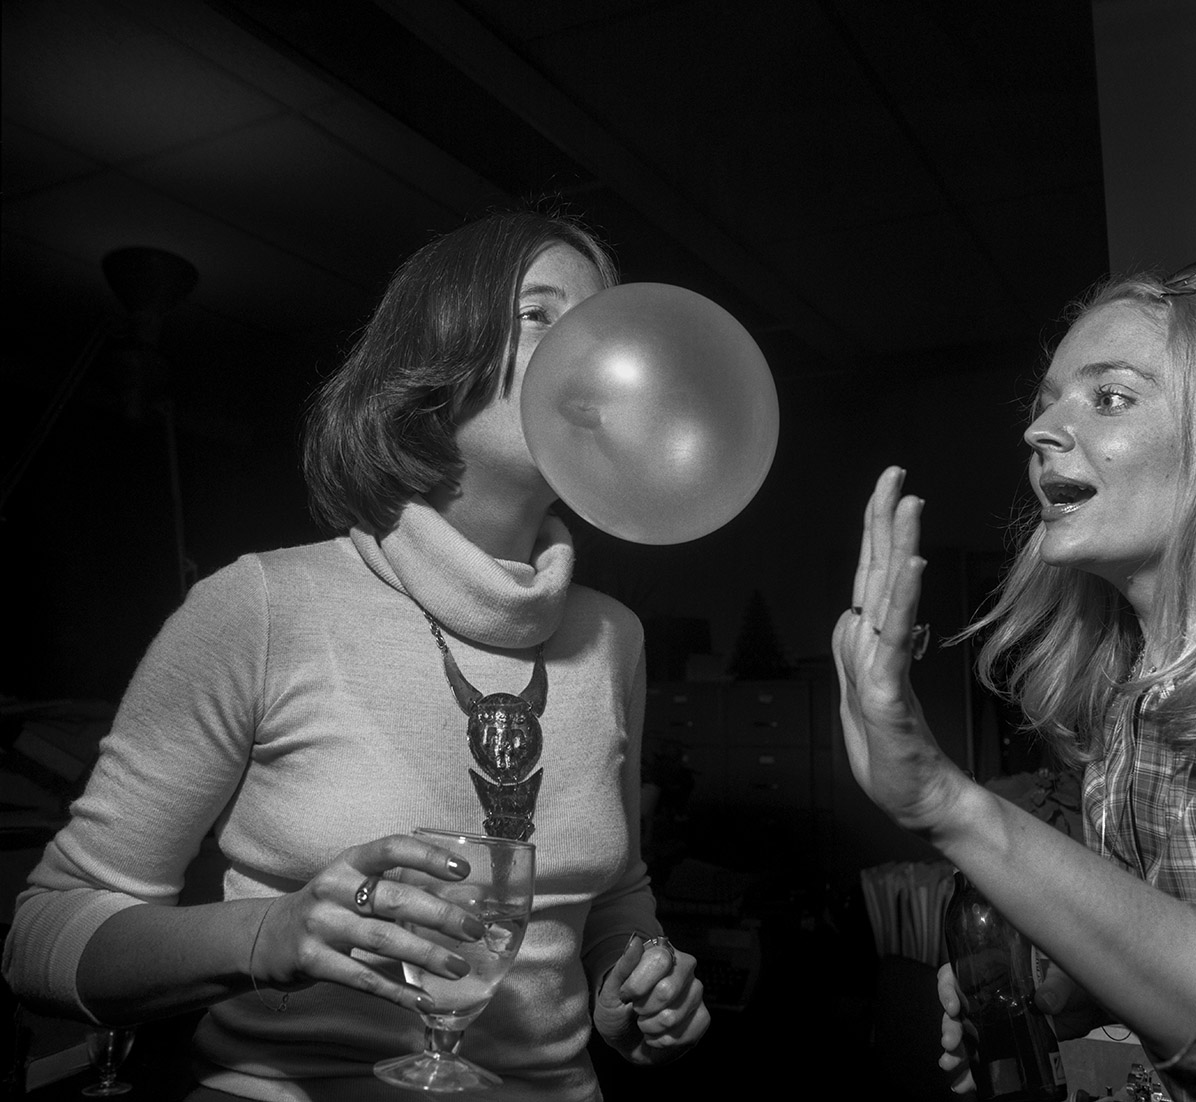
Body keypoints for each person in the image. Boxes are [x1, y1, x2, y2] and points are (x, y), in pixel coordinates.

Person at [3, 208, 710, 1100]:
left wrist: (634, 988)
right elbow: (44, 937)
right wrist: (272, 936)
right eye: (540, 313)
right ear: (438, 352)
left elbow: (614, 899)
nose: (593, 352)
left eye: (606, 324)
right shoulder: (260, 604)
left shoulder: (615, 637)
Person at [833, 266, 1196, 1101]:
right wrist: (1074, 993)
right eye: (1047, 401)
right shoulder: (1130, 697)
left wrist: (946, 801)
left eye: (1109, 397)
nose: (1039, 428)